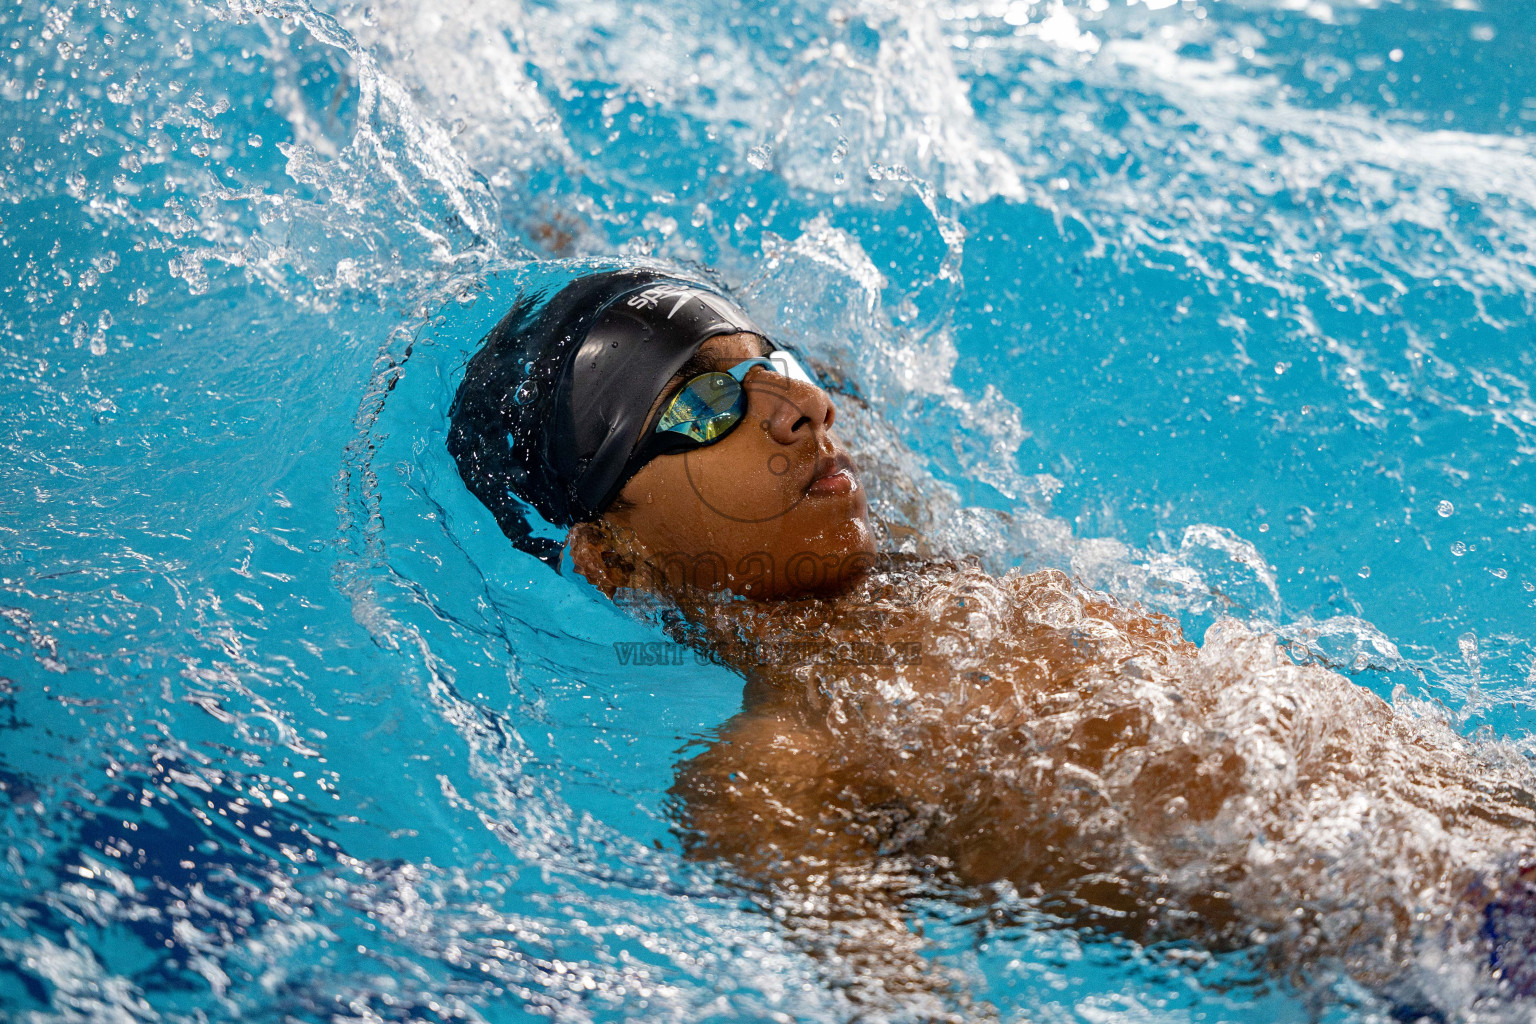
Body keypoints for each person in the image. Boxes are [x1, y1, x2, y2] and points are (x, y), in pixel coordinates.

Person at [449, 262, 1536, 1018]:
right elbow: (898, 993)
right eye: (702, 405)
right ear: (616, 559)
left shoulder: (912, 550)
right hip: (1457, 955)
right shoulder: (776, 767)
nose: (798, 409)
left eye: (775, 365)